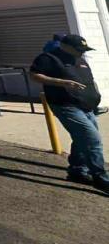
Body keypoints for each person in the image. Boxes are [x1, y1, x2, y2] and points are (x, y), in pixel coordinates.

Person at [29, 34, 107, 193]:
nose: (81, 52)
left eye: (83, 50)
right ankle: (100, 177)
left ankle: (77, 171)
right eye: (78, 49)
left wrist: (96, 96)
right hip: (65, 104)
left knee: (82, 138)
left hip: (87, 105)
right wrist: (62, 82)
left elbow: (89, 79)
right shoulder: (49, 58)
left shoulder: (79, 58)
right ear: (65, 46)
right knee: (91, 138)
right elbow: (34, 75)